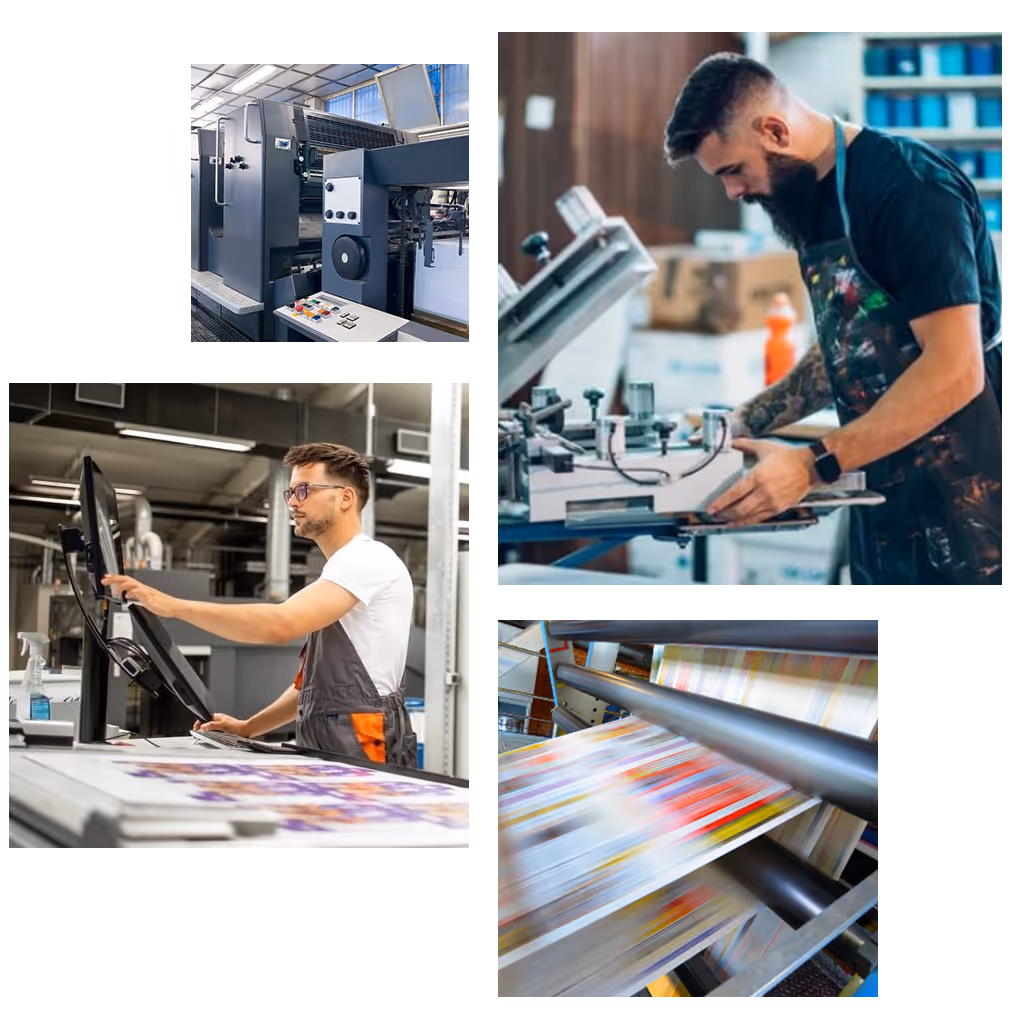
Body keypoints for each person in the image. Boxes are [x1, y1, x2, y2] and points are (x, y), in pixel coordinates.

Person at [665, 53, 1001, 584]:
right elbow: (852, 346)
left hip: (970, 508)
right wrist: (739, 423)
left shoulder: (911, 190)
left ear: (775, 131)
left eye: (733, 170)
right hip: (884, 497)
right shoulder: (811, 201)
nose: (732, 191)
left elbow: (956, 368)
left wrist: (812, 464)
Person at [103, 442, 418, 765]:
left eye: (305, 490)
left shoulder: (367, 559)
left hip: (364, 740)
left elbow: (280, 624)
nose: (293, 502)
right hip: (336, 741)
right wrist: (249, 728)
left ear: (346, 497)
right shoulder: (342, 571)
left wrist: (173, 607)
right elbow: (311, 692)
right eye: (291, 492)